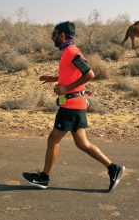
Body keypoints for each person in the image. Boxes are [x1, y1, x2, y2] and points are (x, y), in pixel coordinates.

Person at [22, 21, 124, 192]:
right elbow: (71, 73)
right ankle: (113, 168)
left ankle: (44, 178)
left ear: (62, 35)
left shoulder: (71, 52)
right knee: (82, 144)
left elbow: (90, 74)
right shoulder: (67, 53)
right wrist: (54, 79)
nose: (51, 37)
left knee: (53, 139)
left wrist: (66, 88)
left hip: (71, 106)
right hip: (75, 104)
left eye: (54, 34)